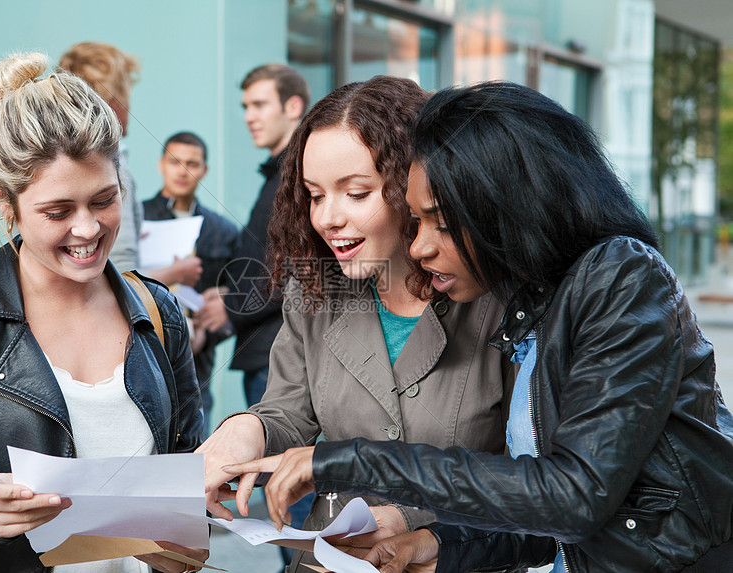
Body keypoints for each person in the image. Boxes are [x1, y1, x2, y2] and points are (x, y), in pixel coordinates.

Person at [226, 81, 733, 573]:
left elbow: (573, 496)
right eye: (314, 195)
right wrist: (436, 544)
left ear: (506, 206)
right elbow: (543, 510)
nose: (422, 248)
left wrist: (349, 462)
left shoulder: (618, 276)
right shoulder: (538, 299)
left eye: (440, 223)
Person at [0, 52, 206, 573]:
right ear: (3, 198)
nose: (87, 230)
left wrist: (182, 543)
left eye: (104, 200)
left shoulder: (159, 311)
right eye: (57, 212)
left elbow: (187, 484)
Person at [198, 76, 515, 573]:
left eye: (357, 193)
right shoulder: (315, 288)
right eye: (314, 195)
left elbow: (533, 479)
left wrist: (417, 523)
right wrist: (247, 431)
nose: (328, 218)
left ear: (416, 185)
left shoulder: (494, 299)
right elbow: (288, 410)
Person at [196, 63, 310, 408]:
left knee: (274, 462)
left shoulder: (300, 174)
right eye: (245, 107)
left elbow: (299, 267)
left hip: (279, 354)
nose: (249, 116)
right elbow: (267, 257)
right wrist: (229, 291)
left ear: (292, 107)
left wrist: (232, 306)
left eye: (259, 105)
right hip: (268, 351)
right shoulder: (280, 174)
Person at [143, 132, 238, 435]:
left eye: (192, 164)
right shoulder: (135, 218)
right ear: (161, 165)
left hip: (198, 360)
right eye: (175, 162)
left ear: (204, 170)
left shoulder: (222, 230)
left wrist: (205, 337)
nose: (182, 171)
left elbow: (231, 300)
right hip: (144, 347)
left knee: (195, 445)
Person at [59, 41, 143, 272]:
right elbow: (123, 269)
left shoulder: (51, 158)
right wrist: (177, 273)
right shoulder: (110, 164)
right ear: (113, 100)